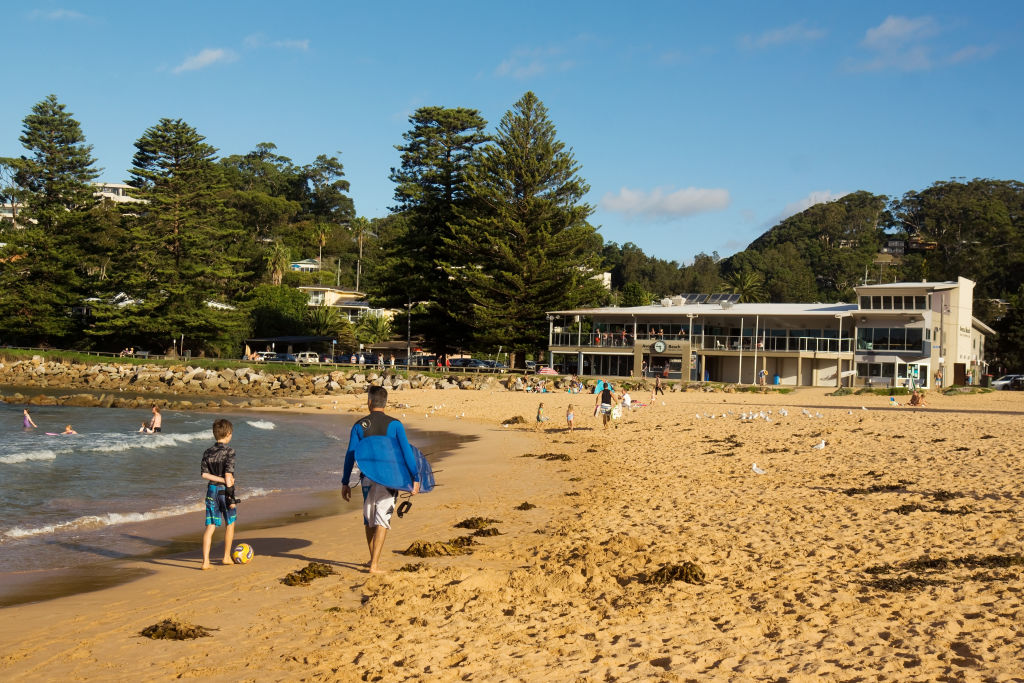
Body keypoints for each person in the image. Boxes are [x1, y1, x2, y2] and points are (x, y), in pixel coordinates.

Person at [342, 386, 421, 573]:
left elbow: (350, 455)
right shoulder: (395, 425)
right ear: (385, 403)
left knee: (369, 519)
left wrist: (345, 482)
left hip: (367, 478)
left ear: (369, 402)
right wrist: (415, 477)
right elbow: (406, 453)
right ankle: (375, 564)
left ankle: (372, 560)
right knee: (382, 519)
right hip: (390, 479)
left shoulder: (359, 425)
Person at [200, 418, 238, 570]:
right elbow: (229, 476)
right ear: (228, 434)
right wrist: (232, 497)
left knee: (210, 526)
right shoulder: (230, 452)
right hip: (224, 491)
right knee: (230, 522)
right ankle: (226, 556)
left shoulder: (207, 452)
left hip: (211, 491)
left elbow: (204, 474)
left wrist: (218, 479)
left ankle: (205, 562)